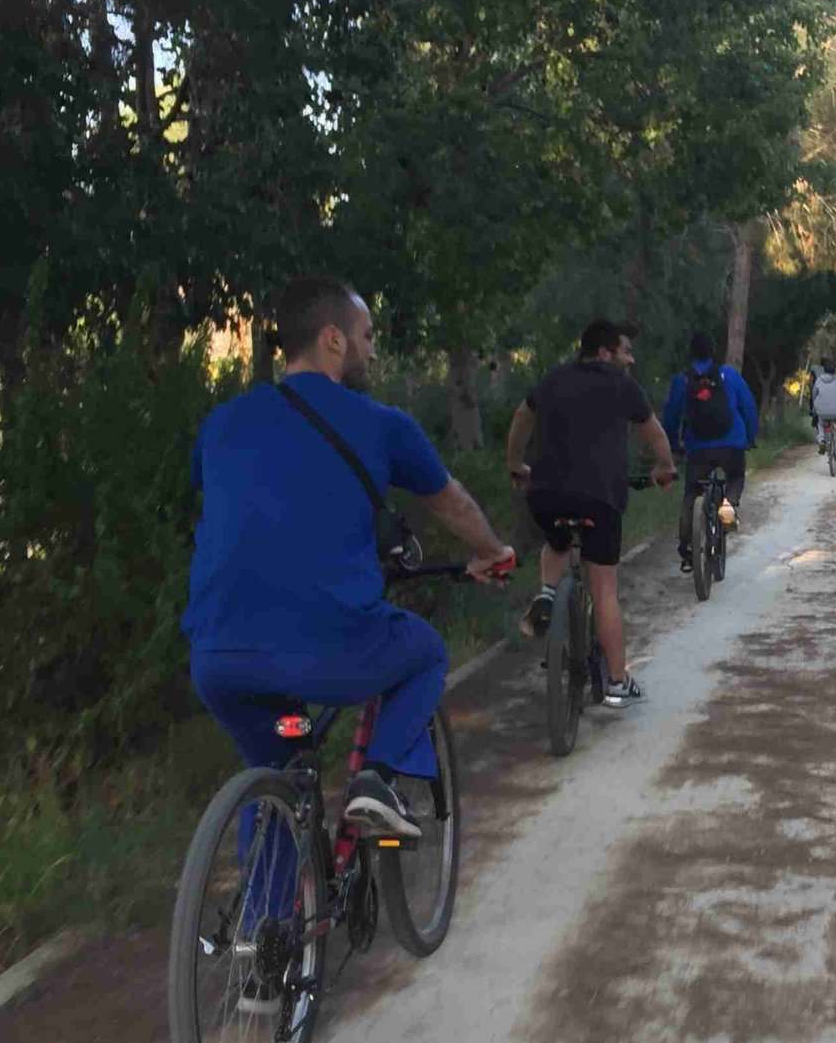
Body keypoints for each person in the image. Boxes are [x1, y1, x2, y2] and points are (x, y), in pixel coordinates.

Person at [184, 274, 516, 840]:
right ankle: (376, 779)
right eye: (365, 335)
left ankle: (261, 926)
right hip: (323, 645)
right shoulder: (381, 423)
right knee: (426, 653)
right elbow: (452, 504)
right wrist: (492, 551)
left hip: (218, 653)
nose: (372, 347)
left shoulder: (220, 423)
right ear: (332, 340)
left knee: (273, 779)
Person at [506, 319, 676, 706]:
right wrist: (665, 467)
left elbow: (521, 419)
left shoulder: (552, 379)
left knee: (556, 543)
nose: (630, 360)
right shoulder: (621, 385)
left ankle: (549, 593)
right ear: (605, 352)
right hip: (601, 499)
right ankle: (617, 682)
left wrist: (516, 465)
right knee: (604, 591)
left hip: (546, 495)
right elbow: (655, 434)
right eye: (625, 351)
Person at [661, 331, 760, 573]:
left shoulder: (682, 381)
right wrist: (750, 437)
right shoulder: (730, 376)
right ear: (713, 351)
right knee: (735, 476)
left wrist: (673, 445)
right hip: (732, 445)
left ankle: (687, 547)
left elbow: (670, 419)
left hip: (698, 448)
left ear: (690, 353)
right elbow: (749, 408)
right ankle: (729, 505)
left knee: (691, 493)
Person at [810, 358, 836, 459]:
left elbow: (814, 395)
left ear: (824, 369)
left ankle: (821, 440)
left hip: (822, 412)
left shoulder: (819, 381)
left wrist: (814, 409)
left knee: (820, 424)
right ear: (835, 370)